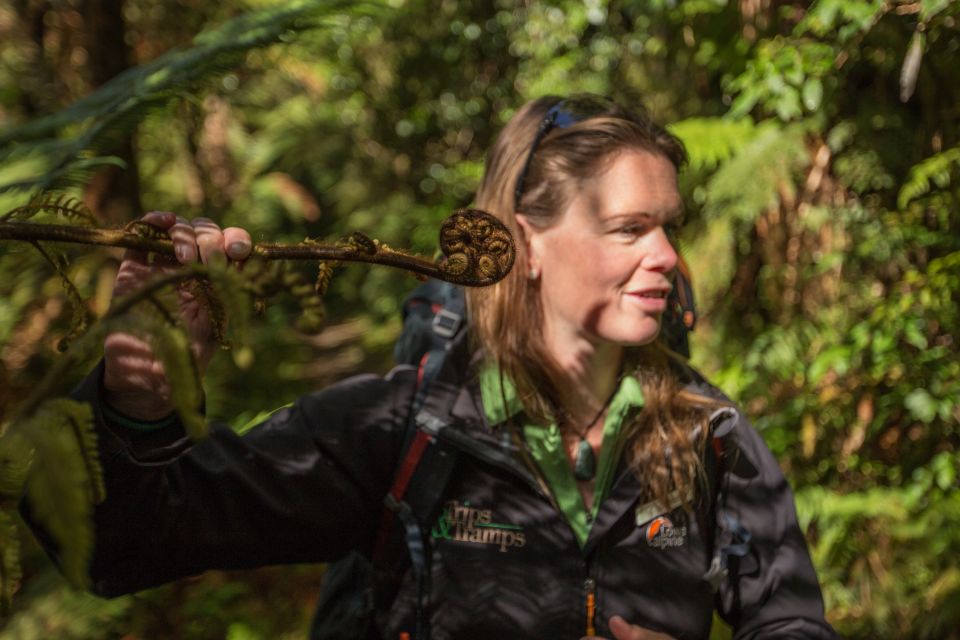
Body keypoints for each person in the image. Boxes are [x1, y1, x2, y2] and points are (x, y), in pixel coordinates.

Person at [31, 95, 837, 639]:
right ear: (524, 245)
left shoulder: (708, 435)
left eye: (668, 226)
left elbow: (791, 620)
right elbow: (119, 544)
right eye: (628, 229)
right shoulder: (405, 430)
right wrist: (140, 390)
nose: (667, 256)